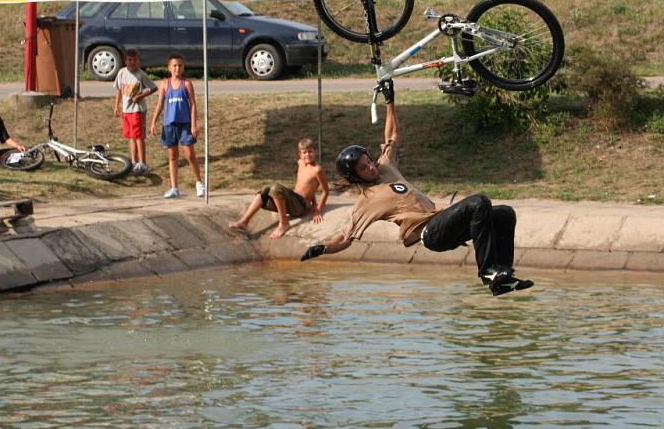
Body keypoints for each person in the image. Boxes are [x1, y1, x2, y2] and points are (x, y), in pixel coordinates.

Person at [299, 80, 533, 297]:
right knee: (478, 201)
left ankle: (503, 276)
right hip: (430, 233)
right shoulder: (366, 201)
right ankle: (488, 271)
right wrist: (321, 249)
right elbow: (345, 238)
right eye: (363, 167)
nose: (370, 166)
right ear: (354, 175)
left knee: (504, 214)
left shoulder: (385, 167)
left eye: (368, 160)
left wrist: (389, 101)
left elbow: (391, 135)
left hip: (442, 221)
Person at [228, 138, 330, 239]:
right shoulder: (300, 163)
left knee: (276, 188)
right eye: (304, 152)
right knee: (265, 190)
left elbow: (326, 190)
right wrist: (314, 200)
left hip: (301, 206)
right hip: (293, 201)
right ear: (300, 154)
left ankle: (284, 223)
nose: (307, 154)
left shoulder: (317, 170)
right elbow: (309, 186)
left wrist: (318, 210)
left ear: (315, 152)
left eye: (310, 151)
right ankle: (243, 222)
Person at [149, 53, 205, 198]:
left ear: (183, 67)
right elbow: (160, 103)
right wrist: (154, 121)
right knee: (173, 156)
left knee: (190, 155)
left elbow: (193, 105)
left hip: (185, 124)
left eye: (180, 65)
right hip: (169, 124)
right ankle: (174, 187)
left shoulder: (187, 84)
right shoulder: (164, 84)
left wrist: (193, 124)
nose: (177, 68)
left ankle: (199, 183)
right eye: (174, 65)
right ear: (169, 67)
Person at [113, 49, 158, 176]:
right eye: (129, 60)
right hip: (126, 111)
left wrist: (139, 96)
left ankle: (142, 163)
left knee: (139, 137)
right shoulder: (121, 73)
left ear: (138, 60)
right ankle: (133, 161)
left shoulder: (141, 75)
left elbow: (153, 88)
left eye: (135, 60)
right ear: (125, 60)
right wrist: (117, 105)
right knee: (131, 137)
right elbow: (120, 90)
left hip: (137, 111)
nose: (132, 62)